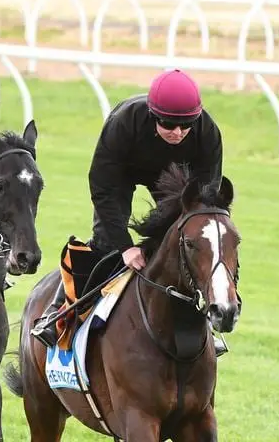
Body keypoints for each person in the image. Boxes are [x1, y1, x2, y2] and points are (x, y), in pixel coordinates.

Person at [31, 69, 228, 354]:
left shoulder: (207, 133)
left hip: (178, 179)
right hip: (121, 173)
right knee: (105, 243)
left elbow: (204, 202)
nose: (178, 133)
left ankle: (202, 325)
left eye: (186, 127)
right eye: (170, 125)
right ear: (153, 116)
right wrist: (125, 246)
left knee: (184, 246)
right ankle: (60, 311)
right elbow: (103, 187)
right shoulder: (124, 123)